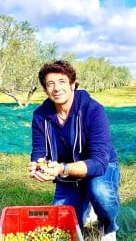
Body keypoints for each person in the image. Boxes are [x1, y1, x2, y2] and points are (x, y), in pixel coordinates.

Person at [28, 60, 120, 241]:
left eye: (62, 81)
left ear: (72, 84)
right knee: (63, 225)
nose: (56, 88)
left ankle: (108, 227)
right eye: (50, 84)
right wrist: (36, 167)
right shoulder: (40, 116)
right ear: (45, 90)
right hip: (66, 174)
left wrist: (62, 169)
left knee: (99, 190)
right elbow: (38, 150)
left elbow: (99, 162)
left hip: (100, 168)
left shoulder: (93, 110)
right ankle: (85, 203)